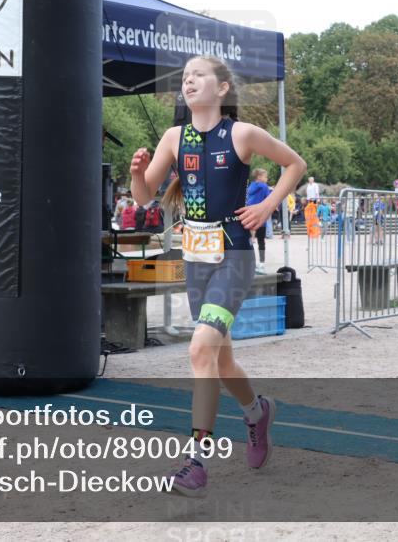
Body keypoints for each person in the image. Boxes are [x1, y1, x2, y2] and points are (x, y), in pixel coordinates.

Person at [129, 56, 306, 497]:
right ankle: (257, 412)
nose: (188, 81)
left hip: (233, 257)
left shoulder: (241, 134)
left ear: (222, 88)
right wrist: (136, 175)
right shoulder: (174, 138)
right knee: (219, 361)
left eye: (198, 75)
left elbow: (295, 164)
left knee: (199, 350)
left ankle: (195, 462)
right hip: (196, 260)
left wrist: (267, 205)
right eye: (185, 77)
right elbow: (145, 196)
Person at [246, 169, 272, 274]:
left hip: (249, 214)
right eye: (265, 176)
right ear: (259, 176)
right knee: (261, 241)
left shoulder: (250, 186)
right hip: (261, 216)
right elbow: (269, 199)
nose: (267, 178)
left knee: (248, 241)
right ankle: (261, 263)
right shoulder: (264, 186)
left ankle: (250, 262)